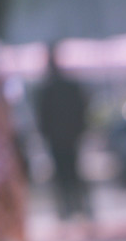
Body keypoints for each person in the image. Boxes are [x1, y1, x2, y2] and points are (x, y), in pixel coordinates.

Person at [34, 44, 91, 221]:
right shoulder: (55, 88)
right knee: (70, 173)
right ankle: (77, 208)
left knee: (66, 174)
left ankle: (74, 209)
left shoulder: (49, 89)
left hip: (61, 137)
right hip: (65, 136)